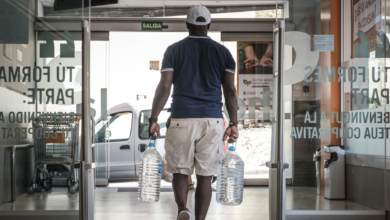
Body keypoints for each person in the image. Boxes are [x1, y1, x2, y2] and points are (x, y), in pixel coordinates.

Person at [148, 5, 239, 220]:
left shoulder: (174, 50)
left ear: (187, 24)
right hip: (212, 121)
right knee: (205, 177)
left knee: (180, 171)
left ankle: (183, 209)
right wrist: (233, 122)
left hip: (181, 119)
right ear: (209, 24)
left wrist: (153, 118)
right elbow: (230, 90)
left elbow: (164, 87)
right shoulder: (224, 53)